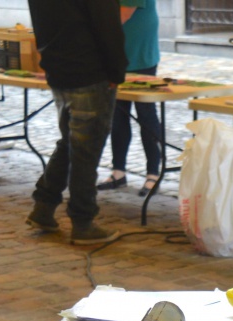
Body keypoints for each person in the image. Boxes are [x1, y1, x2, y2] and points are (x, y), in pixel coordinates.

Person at [25, 0, 127, 245]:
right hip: (89, 71)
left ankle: (44, 207)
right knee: (85, 150)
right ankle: (83, 222)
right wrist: (117, 71)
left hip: (59, 68)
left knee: (72, 143)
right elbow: (107, 26)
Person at [97, 0, 163, 197]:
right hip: (117, 52)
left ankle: (153, 173)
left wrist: (90, 34)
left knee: (145, 113)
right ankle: (118, 172)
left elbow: (124, 14)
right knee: (118, 114)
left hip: (139, 52)